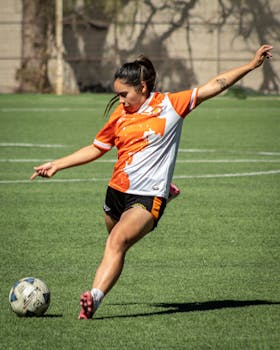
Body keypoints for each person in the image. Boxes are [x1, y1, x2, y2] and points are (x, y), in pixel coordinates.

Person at [30, 44, 273, 319]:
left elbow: (215, 85)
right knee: (115, 241)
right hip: (116, 193)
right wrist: (57, 165)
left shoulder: (171, 105)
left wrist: (250, 66)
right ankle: (167, 193)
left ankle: (93, 299)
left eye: (124, 94)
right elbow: (98, 147)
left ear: (143, 87)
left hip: (147, 196)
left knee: (117, 242)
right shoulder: (120, 114)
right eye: (117, 95)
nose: (120, 101)